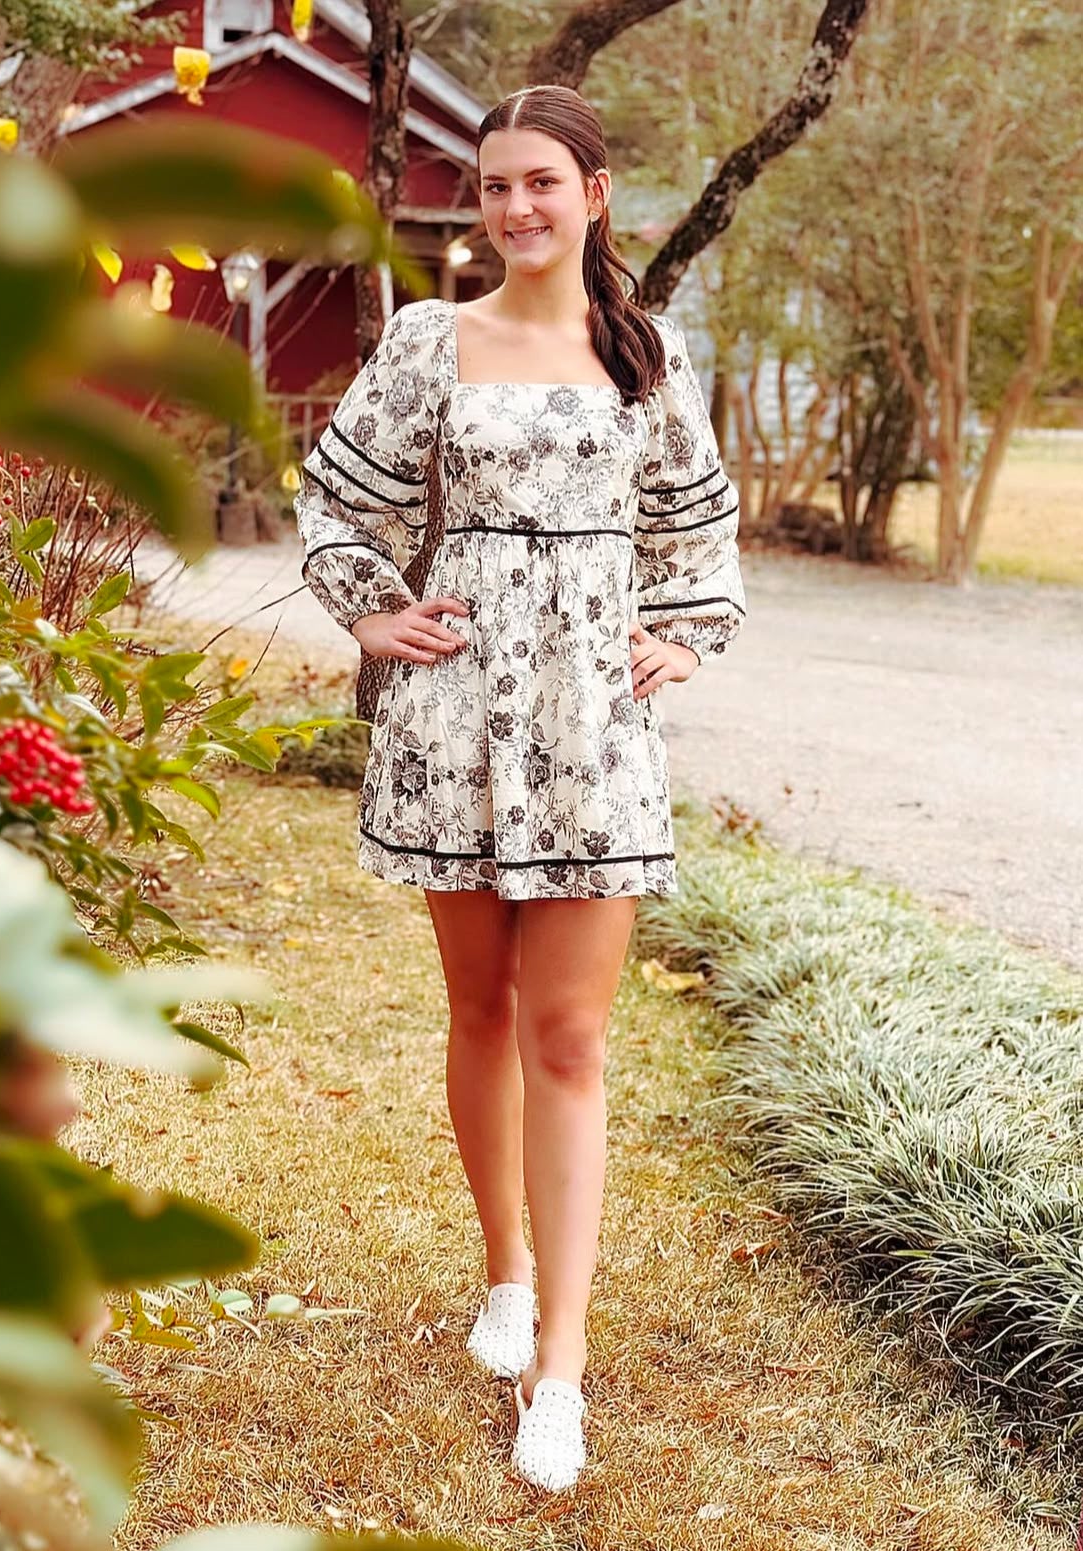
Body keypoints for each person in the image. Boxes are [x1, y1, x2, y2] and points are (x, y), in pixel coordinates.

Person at [294, 82, 745, 1492]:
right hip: (455, 720)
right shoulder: (434, 338)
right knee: (478, 1009)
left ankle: (561, 1364)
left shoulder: (649, 353)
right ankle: (502, 1276)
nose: (514, 208)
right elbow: (336, 494)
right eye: (493, 186)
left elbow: (696, 523)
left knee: (569, 1038)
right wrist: (372, 610)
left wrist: (683, 630)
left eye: (539, 182)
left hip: (593, 732)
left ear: (592, 194)